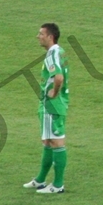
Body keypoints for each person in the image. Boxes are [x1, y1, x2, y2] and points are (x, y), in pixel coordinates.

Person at [24, 22, 70, 195]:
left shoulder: (53, 54)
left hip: (53, 105)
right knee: (48, 141)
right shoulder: (59, 52)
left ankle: (58, 185)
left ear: (50, 37)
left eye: (41, 34)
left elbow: (58, 78)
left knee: (56, 142)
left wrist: (54, 93)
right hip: (51, 104)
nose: (38, 36)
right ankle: (41, 180)